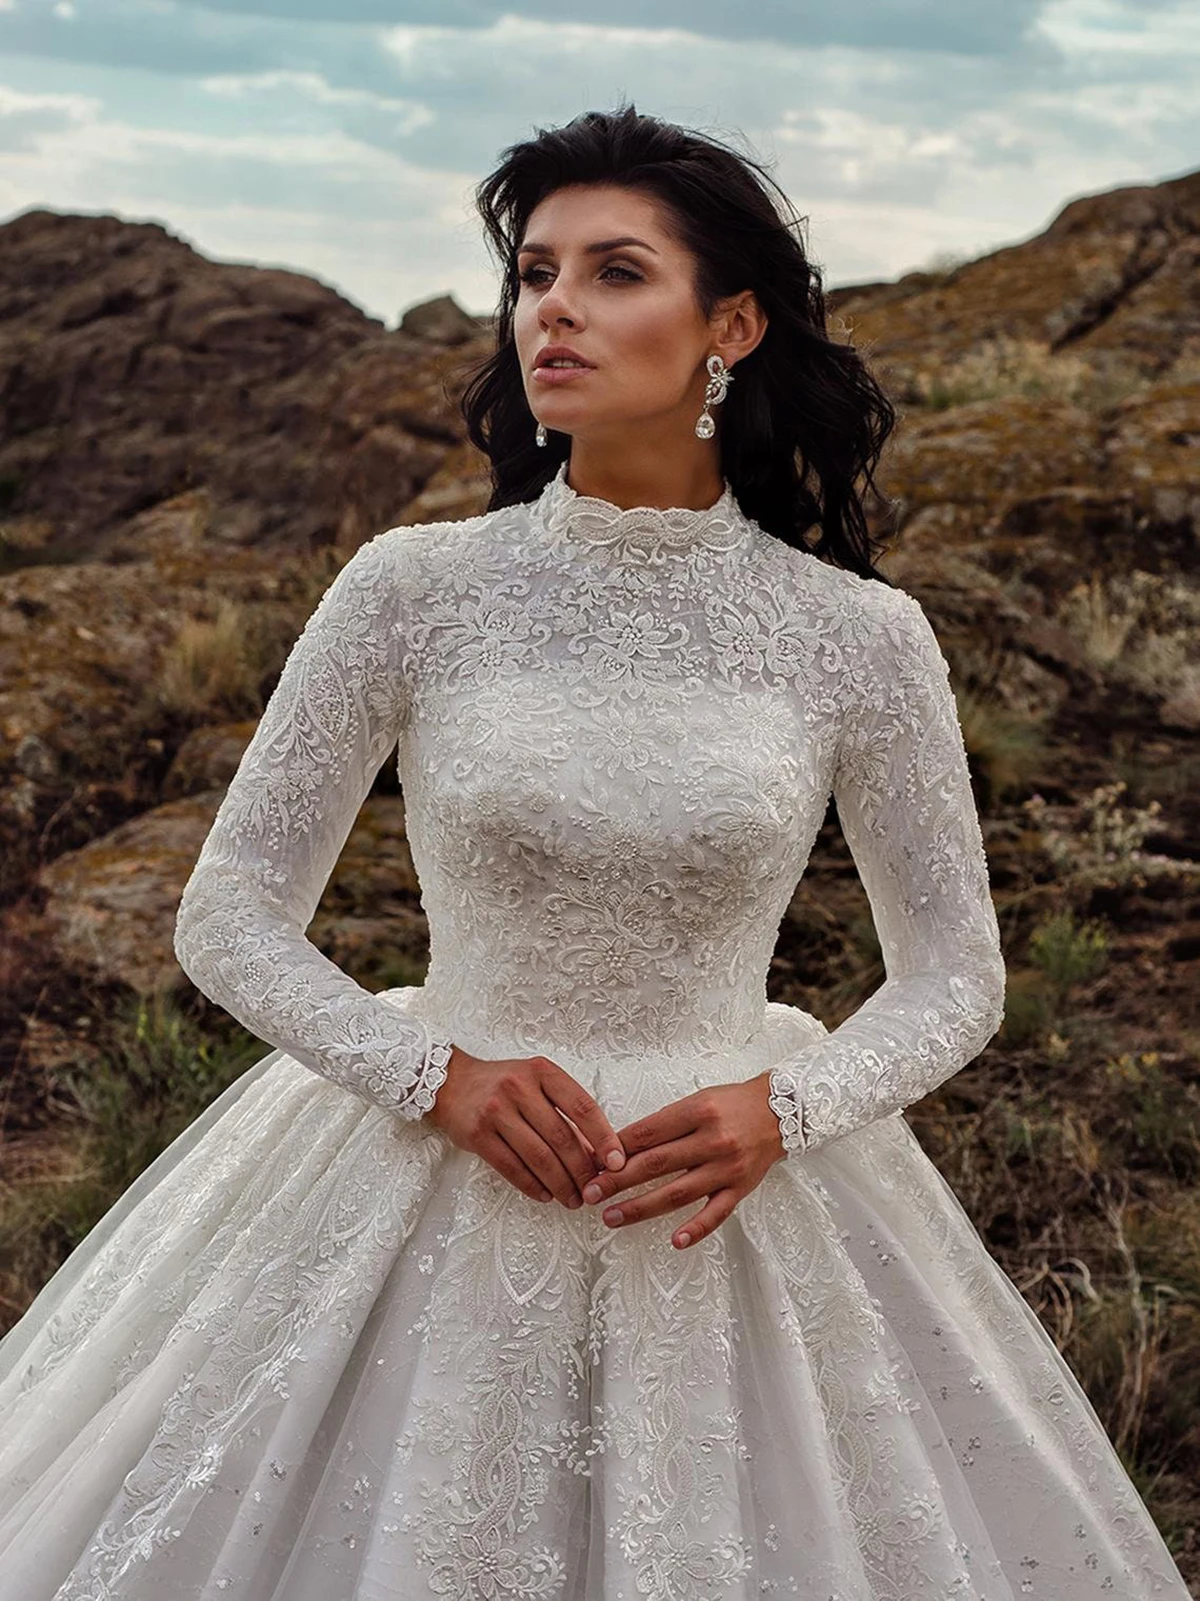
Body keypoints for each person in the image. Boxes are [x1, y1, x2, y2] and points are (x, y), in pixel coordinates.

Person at [0, 103, 1192, 1601]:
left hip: (722, 1207)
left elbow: (956, 976)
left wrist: (792, 1107)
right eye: (534, 272)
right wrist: (434, 1077)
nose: (550, 307)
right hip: (416, 1176)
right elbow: (228, 914)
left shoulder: (860, 640)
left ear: (732, 325)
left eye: (614, 271)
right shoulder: (413, 589)